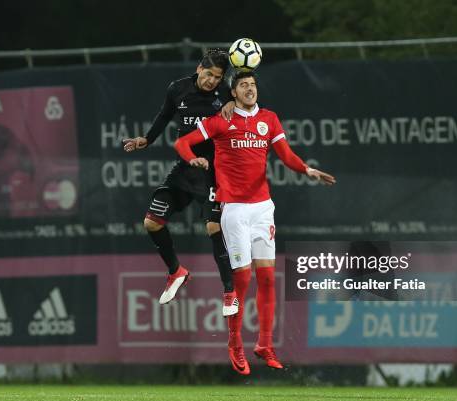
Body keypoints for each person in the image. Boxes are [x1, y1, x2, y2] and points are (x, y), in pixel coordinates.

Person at [174, 71, 335, 375]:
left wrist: (307, 170)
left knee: (268, 278)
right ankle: (234, 342)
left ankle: (264, 344)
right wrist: (192, 158)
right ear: (233, 93)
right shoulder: (221, 120)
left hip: (263, 208)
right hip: (234, 209)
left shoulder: (269, 118)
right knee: (243, 280)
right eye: (243, 85)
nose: (250, 89)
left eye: (253, 85)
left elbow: (285, 155)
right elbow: (182, 143)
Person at [123, 50, 241, 317]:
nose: (212, 81)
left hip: (214, 171)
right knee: (151, 222)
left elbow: (249, 96)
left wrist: (235, 102)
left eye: (217, 77)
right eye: (208, 74)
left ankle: (229, 293)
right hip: (186, 169)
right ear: (199, 69)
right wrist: (148, 139)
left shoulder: (226, 93)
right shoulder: (178, 88)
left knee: (213, 227)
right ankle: (176, 271)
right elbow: (164, 116)